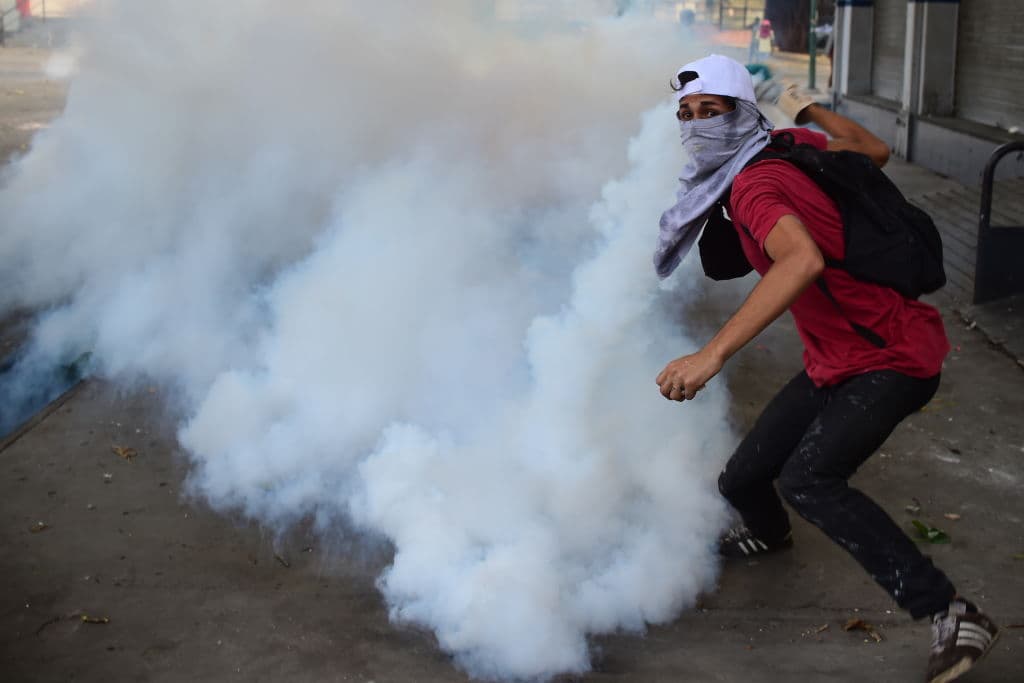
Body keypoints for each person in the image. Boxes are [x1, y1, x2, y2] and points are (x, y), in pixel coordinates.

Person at [652, 54, 999, 683]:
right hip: (837, 357)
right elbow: (872, 147)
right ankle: (769, 535)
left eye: (711, 111)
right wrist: (804, 105)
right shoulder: (787, 142)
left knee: (811, 479)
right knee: (742, 480)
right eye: (687, 115)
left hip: (890, 357)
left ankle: (952, 613)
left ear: (741, 115)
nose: (697, 126)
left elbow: (800, 262)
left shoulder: (754, 186)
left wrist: (712, 354)